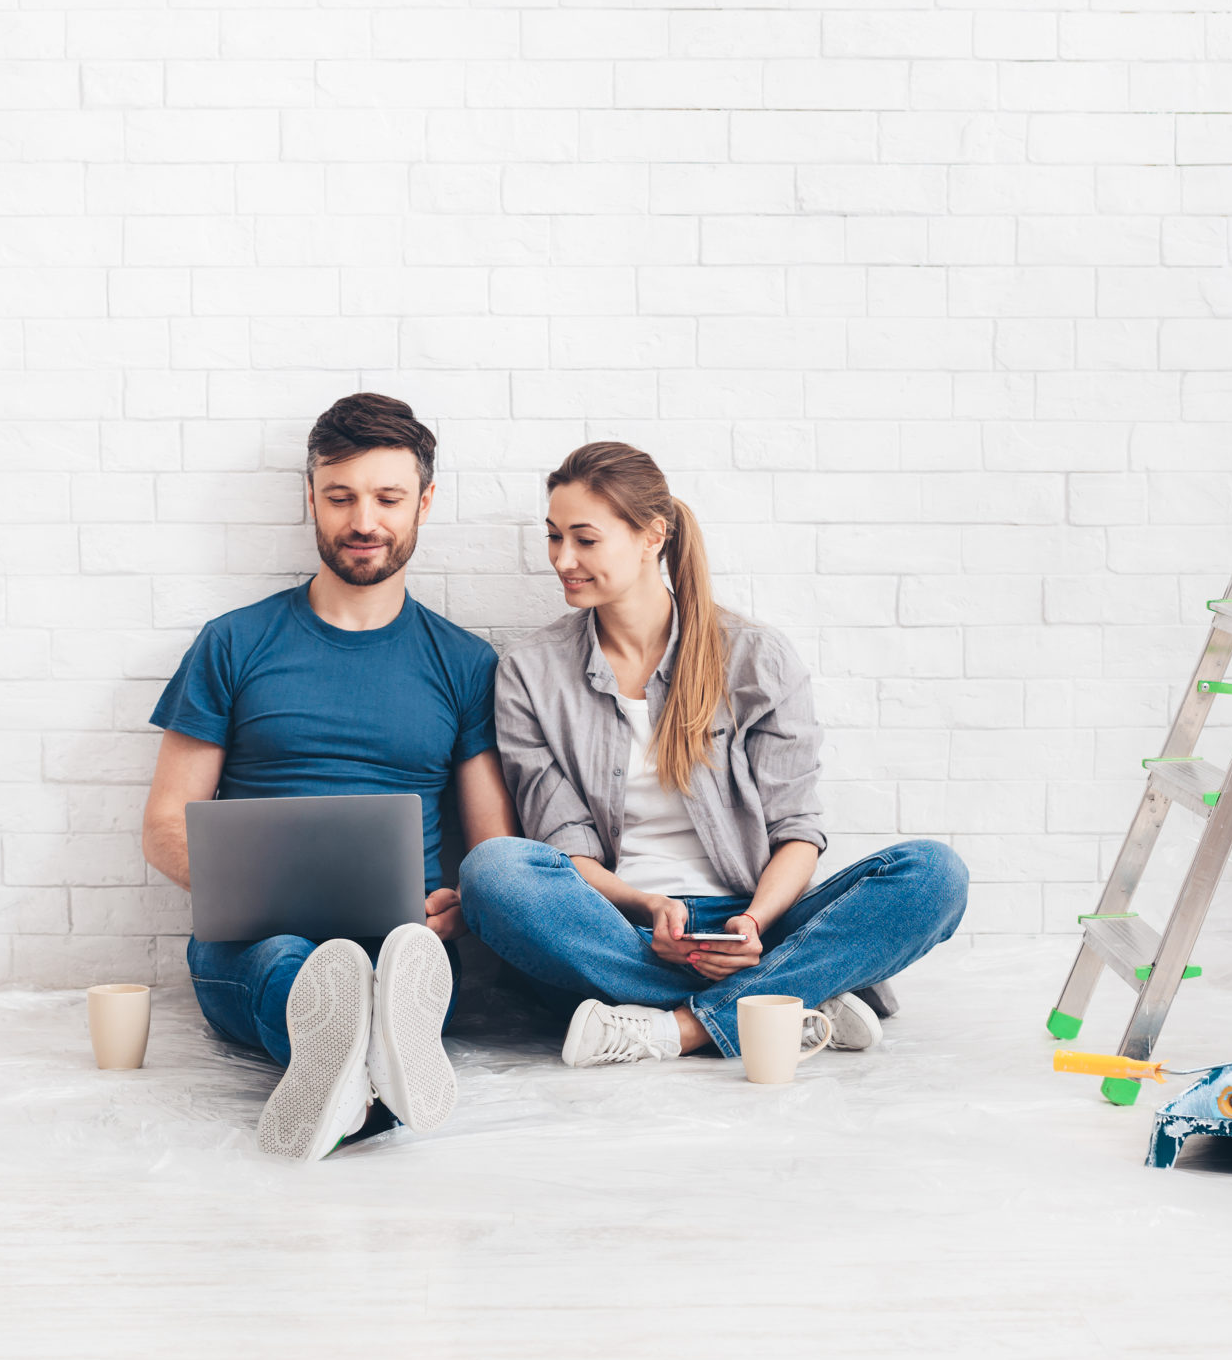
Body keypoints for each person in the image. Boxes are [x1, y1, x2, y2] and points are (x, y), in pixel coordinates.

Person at [459, 441, 966, 1067]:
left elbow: (797, 834)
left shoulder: (755, 656)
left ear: (652, 536)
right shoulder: (530, 671)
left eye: (585, 540)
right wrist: (650, 907)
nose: (563, 559)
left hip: (755, 924)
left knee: (935, 873)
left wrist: (753, 923)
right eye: (554, 537)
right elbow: (567, 849)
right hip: (622, 926)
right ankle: (791, 996)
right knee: (494, 872)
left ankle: (682, 1027)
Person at [141, 394, 512, 1159]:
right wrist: (247, 892)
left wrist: (460, 909)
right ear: (310, 497)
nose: (363, 520)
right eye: (340, 496)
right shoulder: (232, 643)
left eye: (387, 498)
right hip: (252, 938)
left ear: (425, 503)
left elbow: (493, 848)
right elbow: (164, 824)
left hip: (401, 935)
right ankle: (365, 1061)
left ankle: (348, 1076)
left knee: (399, 967)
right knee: (288, 962)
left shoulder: (465, 663)